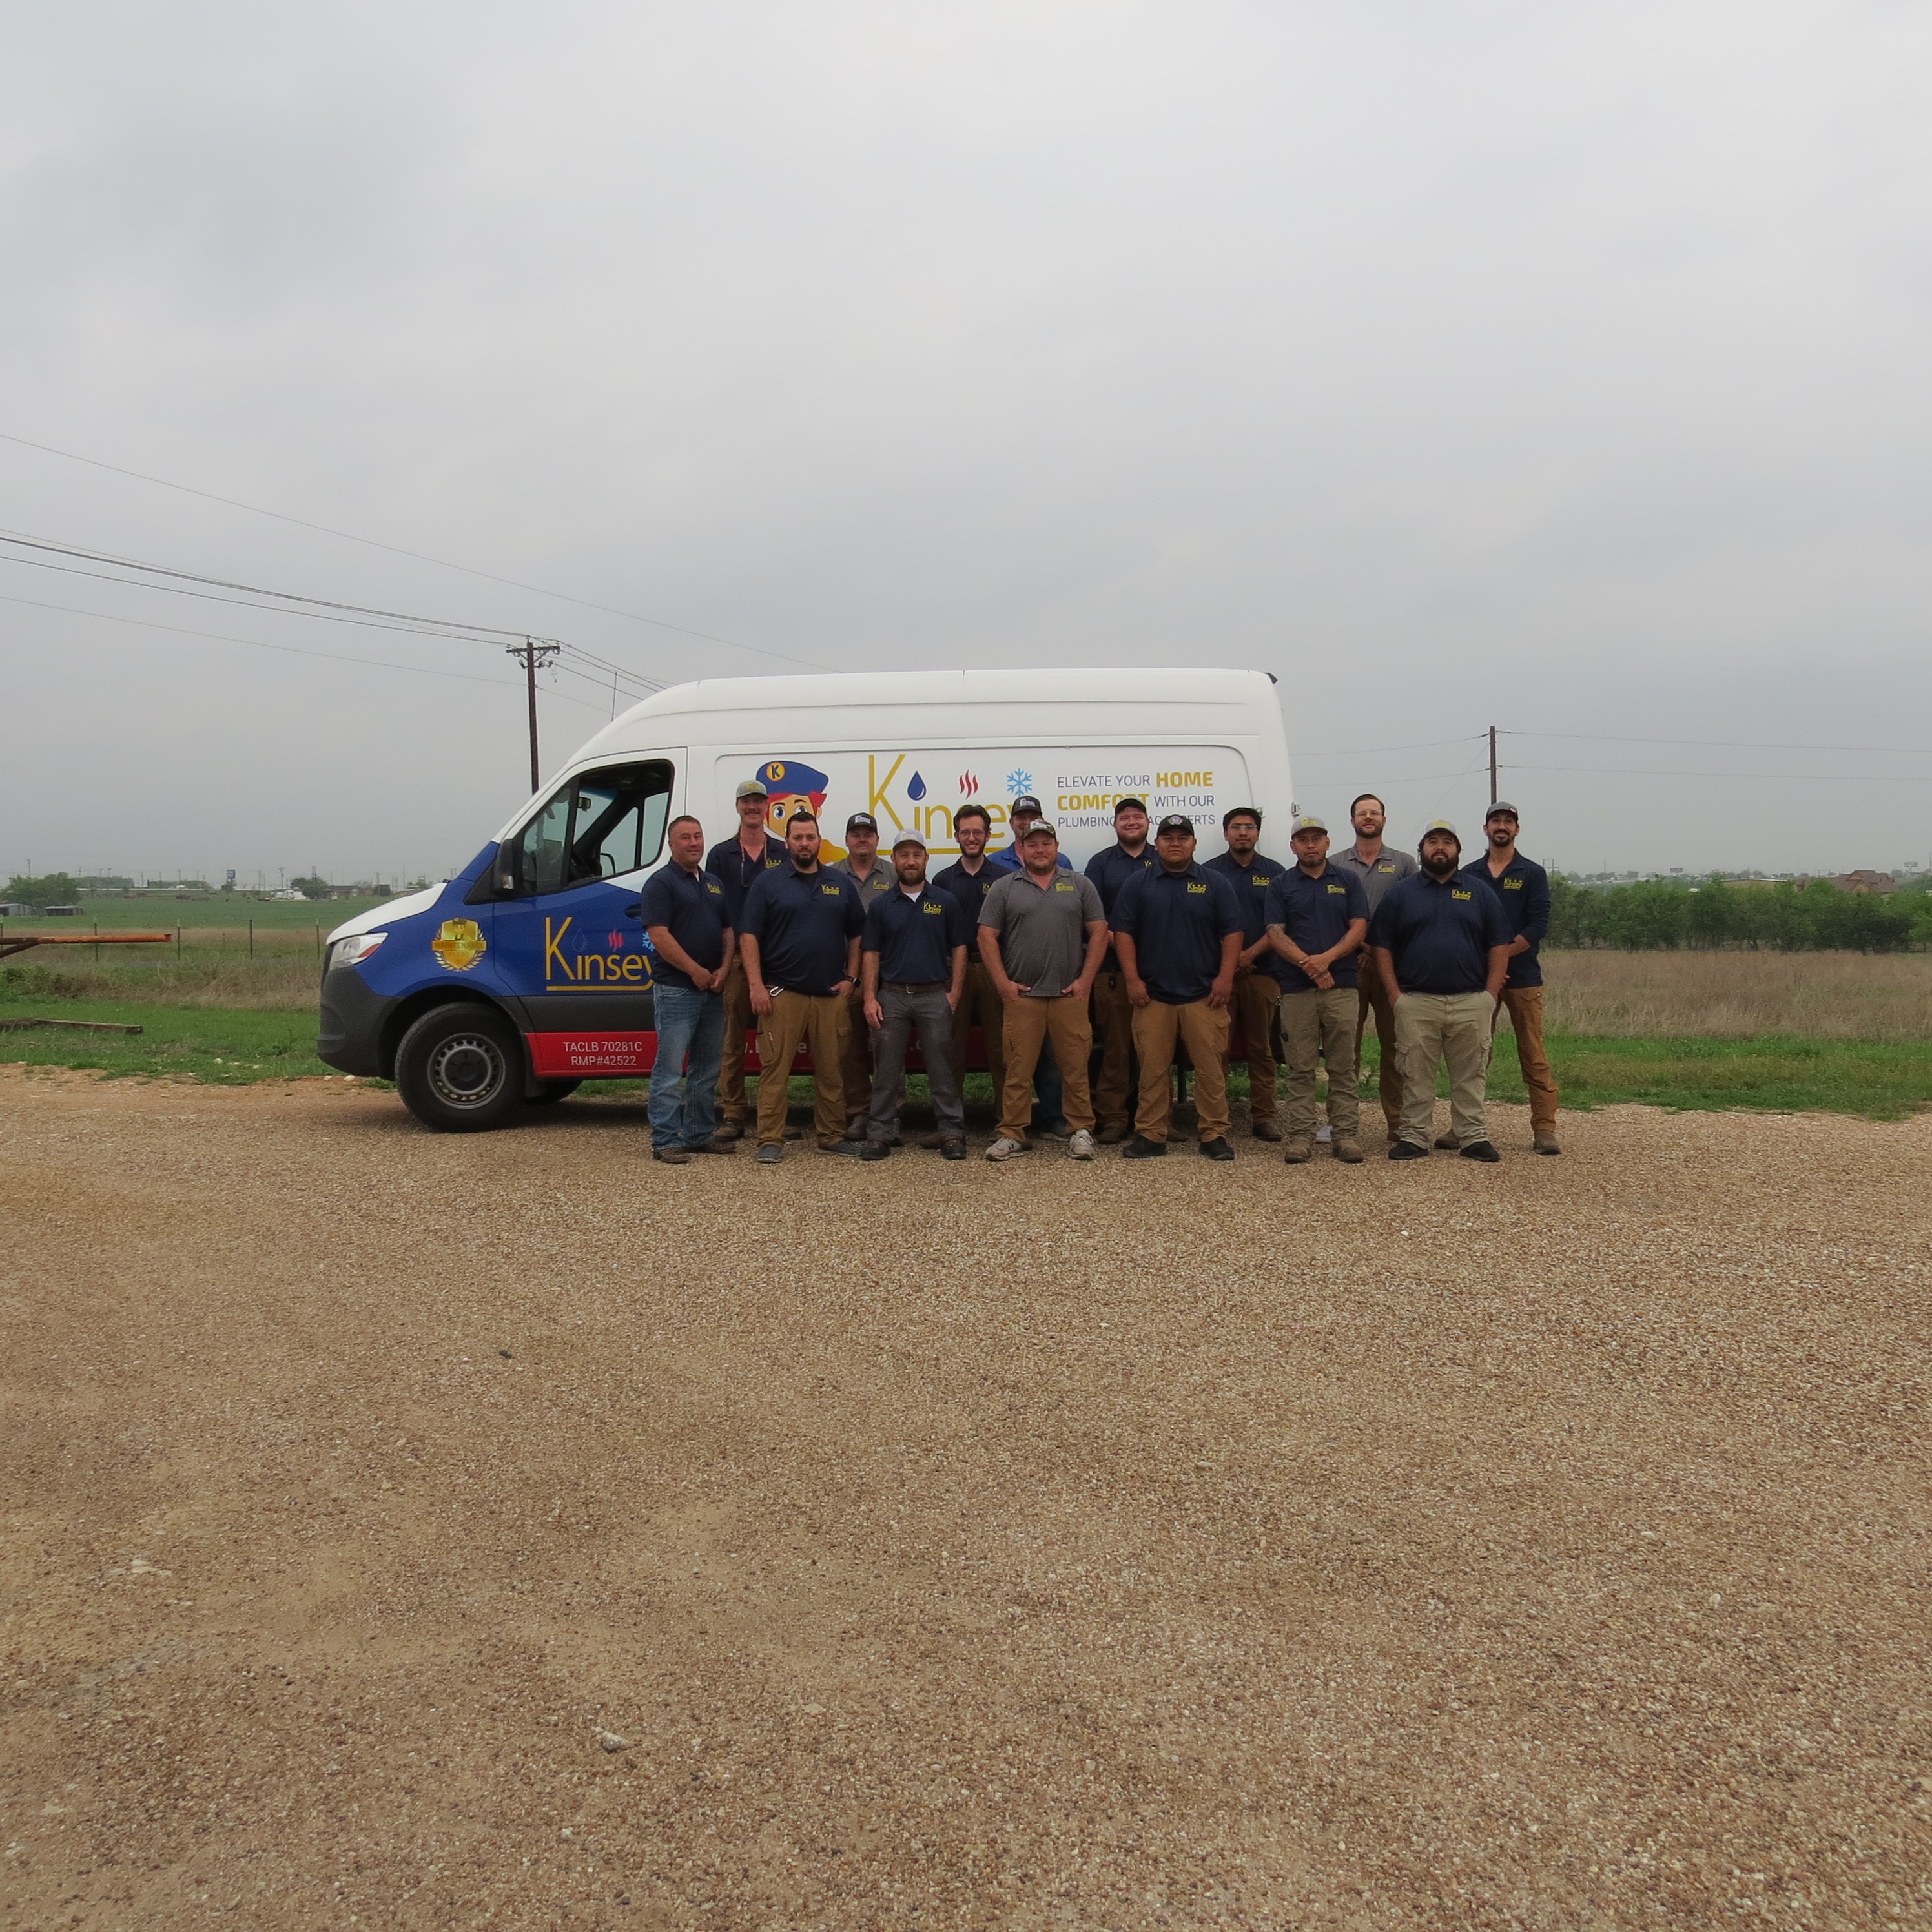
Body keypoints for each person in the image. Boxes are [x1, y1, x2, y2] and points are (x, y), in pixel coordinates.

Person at [1368, 821, 1512, 1162]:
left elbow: (1499, 944)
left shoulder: (1480, 893)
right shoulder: (1401, 894)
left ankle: (1473, 1136)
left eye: (1448, 842)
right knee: (1415, 1074)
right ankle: (1415, 1137)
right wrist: (1394, 995)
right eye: (1433, 842)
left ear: (1458, 851)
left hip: (1470, 1000)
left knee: (1471, 1075)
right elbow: (1382, 947)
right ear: (1422, 850)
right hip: (1416, 1002)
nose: (1440, 848)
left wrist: (1490, 995)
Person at [1109, 815, 1245, 1162]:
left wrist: (1225, 978)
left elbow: (1233, 933)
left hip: (1205, 994)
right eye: (1168, 838)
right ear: (1158, 844)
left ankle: (1214, 1134)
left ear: (1194, 844)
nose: (1175, 843)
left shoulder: (1215, 883)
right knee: (1152, 1069)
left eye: (1183, 837)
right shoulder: (1138, 883)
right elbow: (1122, 933)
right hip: (1153, 994)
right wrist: (1133, 979)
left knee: (1211, 1069)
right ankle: (1151, 1134)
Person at [737, 812, 869, 1162]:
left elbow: (858, 932)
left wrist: (852, 979)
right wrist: (755, 985)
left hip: (830, 996)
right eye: (798, 838)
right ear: (787, 842)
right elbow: (749, 935)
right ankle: (770, 1139)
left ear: (819, 840)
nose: (805, 844)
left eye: (810, 837)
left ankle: (831, 1135)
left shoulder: (839, 884)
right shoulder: (768, 883)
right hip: (783, 994)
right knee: (775, 1070)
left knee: (831, 1071)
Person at [976, 822, 1106, 1162]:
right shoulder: (1005, 887)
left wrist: (1086, 981)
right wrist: (1003, 984)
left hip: (1069, 996)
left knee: (1075, 1067)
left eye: (1045, 843)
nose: (1039, 849)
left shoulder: (1079, 884)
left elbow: (1100, 932)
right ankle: (1012, 1133)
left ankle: (1080, 1130)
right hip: (1023, 998)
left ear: (1056, 845)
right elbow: (985, 937)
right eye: (1031, 844)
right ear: (1021, 849)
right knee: (1017, 1068)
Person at [859, 832, 971, 1161]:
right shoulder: (881, 905)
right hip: (892, 997)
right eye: (903, 855)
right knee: (886, 1071)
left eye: (917, 854)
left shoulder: (945, 900)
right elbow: (871, 953)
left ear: (926, 859)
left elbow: (960, 948)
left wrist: (955, 993)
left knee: (942, 1067)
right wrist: (869, 997)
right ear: (893, 860)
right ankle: (880, 1133)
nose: (910, 861)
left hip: (934, 996)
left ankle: (951, 1132)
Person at [1264, 815, 1370, 1164]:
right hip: (1296, 990)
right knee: (1300, 1066)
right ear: (1293, 846)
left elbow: (1358, 928)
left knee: (1343, 1064)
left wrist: (1327, 959)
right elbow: (1275, 934)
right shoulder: (1280, 884)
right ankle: (1300, 1136)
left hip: (1341, 987)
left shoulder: (1348, 881)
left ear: (1327, 842)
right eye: (1303, 839)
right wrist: (1310, 965)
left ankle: (1346, 1136)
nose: (1310, 845)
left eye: (1316, 838)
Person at [1461, 802, 1561, 1155]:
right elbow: (1465, 924)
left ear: (1517, 829)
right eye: (1496, 821)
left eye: (1508, 821)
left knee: (1533, 1054)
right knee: (1473, 1055)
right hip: (1480, 979)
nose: (1501, 826)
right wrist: (1490, 964)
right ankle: (1466, 1127)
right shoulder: (1469, 874)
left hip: (1522, 977)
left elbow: (1538, 925)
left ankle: (1545, 1129)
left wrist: (1503, 956)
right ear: (1485, 828)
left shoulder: (1532, 873)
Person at [639, 816, 736, 1165]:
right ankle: (665, 1139)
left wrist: (724, 970)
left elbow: (728, 931)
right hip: (677, 989)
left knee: (707, 1068)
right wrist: (694, 970)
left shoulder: (712, 882)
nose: (694, 843)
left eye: (698, 836)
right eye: (685, 837)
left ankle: (698, 1133)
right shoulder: (660, 884)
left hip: (713, 988)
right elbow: (659, 935)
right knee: (670, 1070)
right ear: (671, 843)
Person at [1333, 794, 1419, 1142]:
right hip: (1345, 966)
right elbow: (1330, 913)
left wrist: (1377, 948)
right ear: (1352, 821)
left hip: (1389, 968)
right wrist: (1359, 946)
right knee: (1344, 1050)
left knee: (1394, 1046)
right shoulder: (1335, 863)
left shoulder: (1404, 864)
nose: (1368, 818)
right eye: (1362, 813)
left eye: (1375, 813)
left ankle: (1397, 1123)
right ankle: (1344, 1123)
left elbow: (1411, 914)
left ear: (1385, 819)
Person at [704, 779, 787, 1141]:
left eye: (758, 801)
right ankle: (734, 1112)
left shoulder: (783, 852)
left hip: (776, 960)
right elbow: (714, 914)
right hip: (736, 959)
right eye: (746, 802)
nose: (753, 807)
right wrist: (723, 963)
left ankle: (774, 1113)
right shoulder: (721, 856)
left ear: (767, 806)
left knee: (776, 1041)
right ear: (738, 807)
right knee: (731, 1040)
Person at [985, 793, 1071, 1133]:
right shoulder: (996, 864)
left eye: (1032, 816)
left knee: (1053, 1056)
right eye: (1020, 817)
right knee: (1014, 1055)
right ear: (1012, 824)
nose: (1025, 821)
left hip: (1055, 979)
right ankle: (1010, 1123)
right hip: (1013, 976)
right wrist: (1003, 978)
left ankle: (1054, 1116)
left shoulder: (1062, 864)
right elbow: (989, 930)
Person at [1204, 806, 1289, 1142]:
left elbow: (1281, 924)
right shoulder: (1208, 872)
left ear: (1257, 833)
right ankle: (1216, 1118)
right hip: (1218, 976)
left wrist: (1249, 954)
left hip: (1263, 972)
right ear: (1225, 833)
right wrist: (1229, 962)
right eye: (1236, 827)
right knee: (1216, 1050)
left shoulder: (1276, 873)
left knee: (1262, 1049)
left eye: (1249, 827)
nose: (1243, 833)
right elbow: (1203, 925)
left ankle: (1264, 1117)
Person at [1083, 797, 1158, 1143]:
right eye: (1124, 818)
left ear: (1148, 822)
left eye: (1137, 817)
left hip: (1160, 972)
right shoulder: (1100, 864)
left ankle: (1156, 1119)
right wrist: (1123, 944)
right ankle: (1113, 1118)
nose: (1131, 822)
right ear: (1115, 825)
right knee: (1115, 1047)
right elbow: (1093, 916)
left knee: (1156, 1049)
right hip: (1111, 970)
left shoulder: (1164, 857)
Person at [930, 803, 1006, 1127]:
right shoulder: (942, 879)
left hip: (994, 970)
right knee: (950, 1049)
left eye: (978, 832)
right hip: (953, 972)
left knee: (1002, 1049)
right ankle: (951, 1124)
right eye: (965, 832)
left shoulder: (1005, 879)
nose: (971, 837)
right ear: (956, 835)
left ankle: (1009, 1121)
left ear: (988, 835)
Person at [830, 812, 899, 1140]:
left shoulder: (894, 873)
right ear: (847, 840)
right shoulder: (831, 876)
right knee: (851, 1048)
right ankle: (858, 1112)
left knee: (887, 1047)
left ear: (876, 839)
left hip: (889, 977)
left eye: (868, 834)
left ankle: (890, 1114)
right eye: (856, 834)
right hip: (845, 976)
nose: (862, 839)